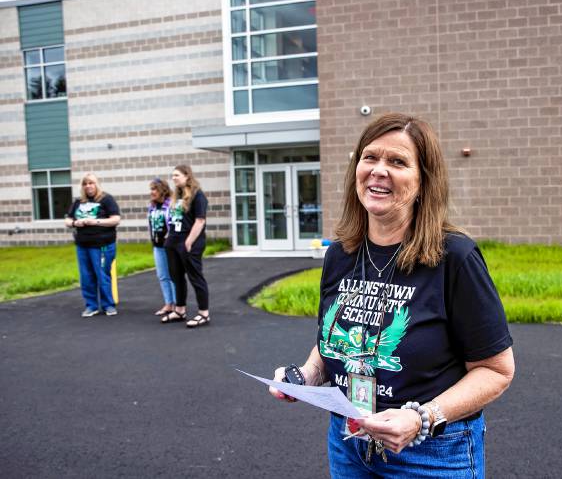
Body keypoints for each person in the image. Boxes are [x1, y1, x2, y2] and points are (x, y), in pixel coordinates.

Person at [270, 113, 515, 477]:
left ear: (423, 182)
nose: (378, 170)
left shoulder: (455, 258)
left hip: (432, 451)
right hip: (349, 439)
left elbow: (496, 370)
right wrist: (305, 376)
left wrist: (421, 418)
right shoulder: (340, 255)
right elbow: (331, 347)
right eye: (370, 157)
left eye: (397, 161)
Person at [64, 173, 121, 317]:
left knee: (102, 275)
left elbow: (116, 219)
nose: (88, 186)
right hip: (82, 245)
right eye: (85, 183)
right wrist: (74, 223)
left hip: (102, 245)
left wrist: (95, 221)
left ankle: (108, 305)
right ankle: (91, 306)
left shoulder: (106, 199)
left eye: (91, 183)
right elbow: (67, 220)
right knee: (86, 276)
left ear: (97, 184)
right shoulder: (78, 202)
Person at [161, 165, 210, 328]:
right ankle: (180, 310)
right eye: (172, 175)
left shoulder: (198, 195)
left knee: (195, 277)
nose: (173, 178)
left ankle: (204, 314)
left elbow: (200, 220)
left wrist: (188, 241)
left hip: (189, 242)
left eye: (177, 175)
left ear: (187, 176)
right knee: (176, 278)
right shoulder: (178, 195)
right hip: (173, 242)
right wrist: (170, 236)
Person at [148, 177, 176, 316]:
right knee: (162, 276)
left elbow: (174, 223)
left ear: (162, 190)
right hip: (157, 246)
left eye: (154, 189)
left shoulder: (171, 204)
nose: (152, 192)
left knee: (173, 275)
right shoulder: (152, 206)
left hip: (170, 246)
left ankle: (178, 305)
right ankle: (168, 304)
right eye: (151, 189)